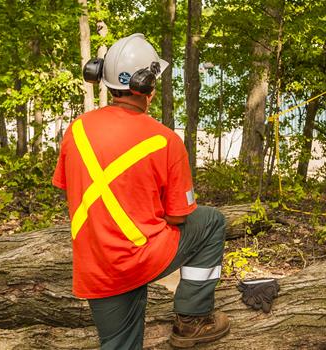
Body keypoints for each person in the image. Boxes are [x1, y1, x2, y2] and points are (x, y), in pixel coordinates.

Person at [52, 33, 230, 349]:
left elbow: (71, 187)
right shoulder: (164, 140)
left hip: (96, 266)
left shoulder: (76, 129)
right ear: (146, 86)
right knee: (211, 221)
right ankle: (192, 320)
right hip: (140, 257)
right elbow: (177, 217)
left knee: (119, 345)